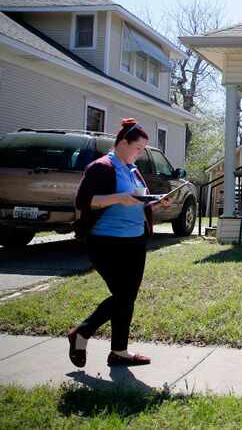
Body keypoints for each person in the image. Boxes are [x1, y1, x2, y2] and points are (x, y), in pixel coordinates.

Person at [67, 118, 171, 368]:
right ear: (123, 143)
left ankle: (119, 352)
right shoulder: (101, 167)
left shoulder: (132, 169)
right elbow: (84, 201)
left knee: (127, 296)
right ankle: (82, 332)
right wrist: (118, 198)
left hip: (134, 241)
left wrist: (155, 203)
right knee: (123, 295)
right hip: (106, 242)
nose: (139, 154)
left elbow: (137, 200)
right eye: (137, 148)